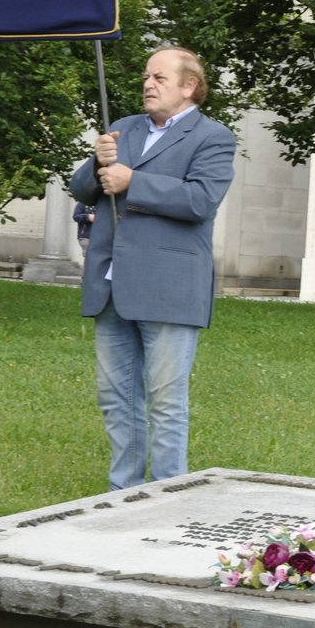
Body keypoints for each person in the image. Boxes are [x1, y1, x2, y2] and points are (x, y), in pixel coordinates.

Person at [69, 46, 236, 489]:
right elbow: (83, 189)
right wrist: (97, 159)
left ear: (189, 87)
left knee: (165, 400)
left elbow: (200, 200)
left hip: (170, 287)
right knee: (115, 396)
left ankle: (167, 495)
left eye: (160, 78)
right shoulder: (122, 129)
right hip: (112, 284)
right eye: (146, 76)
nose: (148, 84)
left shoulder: (212, 138)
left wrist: (133, 181)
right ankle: (122, 490)